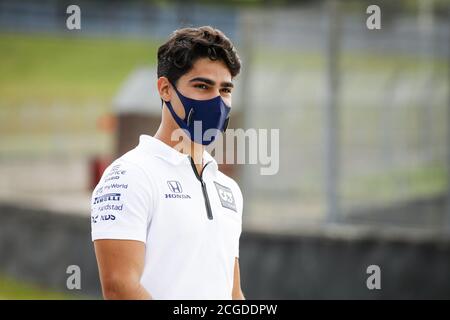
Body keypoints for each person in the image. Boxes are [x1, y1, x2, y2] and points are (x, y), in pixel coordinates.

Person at [91, 26, 244, 300]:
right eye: (202, 85)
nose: (216, 101)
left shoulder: (228, 188)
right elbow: (119, 288)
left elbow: (232, 293)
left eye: (225, 89)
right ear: (165, 89)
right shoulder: (130, 175)